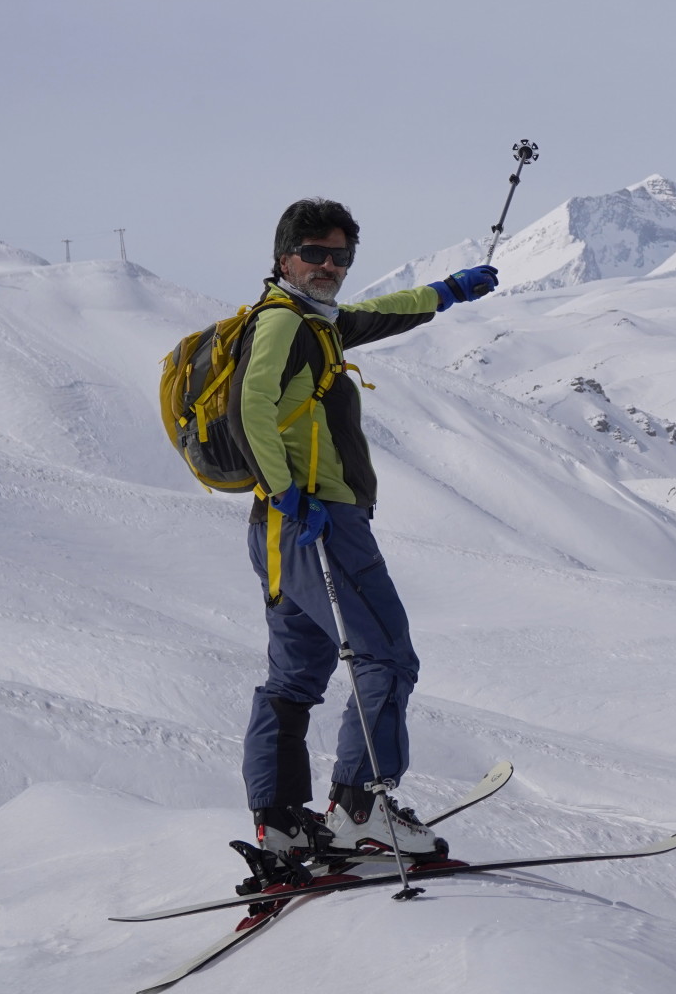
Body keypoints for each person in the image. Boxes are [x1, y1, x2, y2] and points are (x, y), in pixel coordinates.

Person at [226, 197, 498, 860]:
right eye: (314, 253)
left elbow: (381, 312)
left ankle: (282, 824)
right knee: (386, 656)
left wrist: (447, 292)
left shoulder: (314, 323)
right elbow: (248, 407)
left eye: (340, 256)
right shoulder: (284, 324)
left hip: (281, 530)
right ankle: (361, 809)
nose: (328, 265)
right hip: (315, 522)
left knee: (295, 678)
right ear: (284, 258)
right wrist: (288, 491)